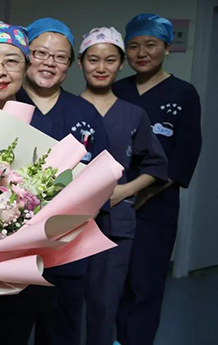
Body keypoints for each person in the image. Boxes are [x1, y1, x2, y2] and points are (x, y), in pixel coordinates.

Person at [0, 17, 109, 345]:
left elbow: (102, 180)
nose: (49, 63)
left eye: (60, 57)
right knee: (6, 334)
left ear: (70, 65)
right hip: (10, 254)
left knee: (62, 334)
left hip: (67, 253)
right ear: (26, 56)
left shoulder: (85, 113)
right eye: (40, 53)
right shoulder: (5, 105)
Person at [113, 13, 202, 345]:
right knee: (113, 283)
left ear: (166, 47)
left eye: (150, 44)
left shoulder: (184, 93)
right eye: (134, 46)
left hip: (157, 207)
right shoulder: (117, 89)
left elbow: (185, 154)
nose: (142, 53)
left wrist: (141, 195)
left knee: (145, 285)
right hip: (112, 203)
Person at [77, 27, 168, 345]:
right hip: (68, 224)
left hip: (115, 225)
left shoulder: (133, 114)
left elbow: (157, 166)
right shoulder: (69, 109)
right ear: (80, 63)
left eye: (110, 60)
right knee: (64, 304)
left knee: (104, 305)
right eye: (93, 60)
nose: (101, 67)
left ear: (120, 65)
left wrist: (124, 192)